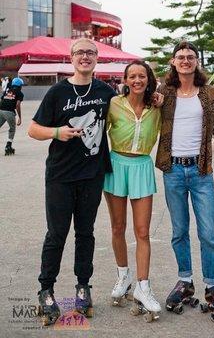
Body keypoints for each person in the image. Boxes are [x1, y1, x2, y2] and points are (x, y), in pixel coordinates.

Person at [28, 38, 116, 326]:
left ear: (97, 58)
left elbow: (129, 110)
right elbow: (32, 129)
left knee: (85, 233)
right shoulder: (58, 92)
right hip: (60, 176)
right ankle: (46, 290)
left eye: (91, 52)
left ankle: (83, 286)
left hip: (92, 175)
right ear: (72, 57)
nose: (85, 57)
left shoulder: (105, 91)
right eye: (80, 53)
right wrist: (57, 133)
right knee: (56, 234)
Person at [156, 41, 214, 321]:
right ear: (173, 62)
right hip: (172, 170)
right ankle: (185, 281)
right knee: (178, 231)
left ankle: (212, 286)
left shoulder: (211, 94)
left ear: (196, 62)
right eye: (180, 57)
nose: (185, 61)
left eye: (190, 57)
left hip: (201, 173)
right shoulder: (164, 93)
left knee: (208, 233)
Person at [104, 60, 162, 319]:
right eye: (132, 76)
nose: (137, 80)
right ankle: (123, 275)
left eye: (142, 76)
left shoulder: (158, 106)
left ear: (149, 79)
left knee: (142, 232)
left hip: (142, 166)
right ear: (125, 80)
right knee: (118, 227)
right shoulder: (113, 104)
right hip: (116, 164)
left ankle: (143, 287)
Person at [0, 77, 24, 155]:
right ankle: (8, 146)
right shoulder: (20, 93)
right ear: (20, 86)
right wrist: (20, 117)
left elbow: (2, 99)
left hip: (1, 110)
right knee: (12, 129)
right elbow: (17, 105)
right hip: (10, 112)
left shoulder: (7, 90)